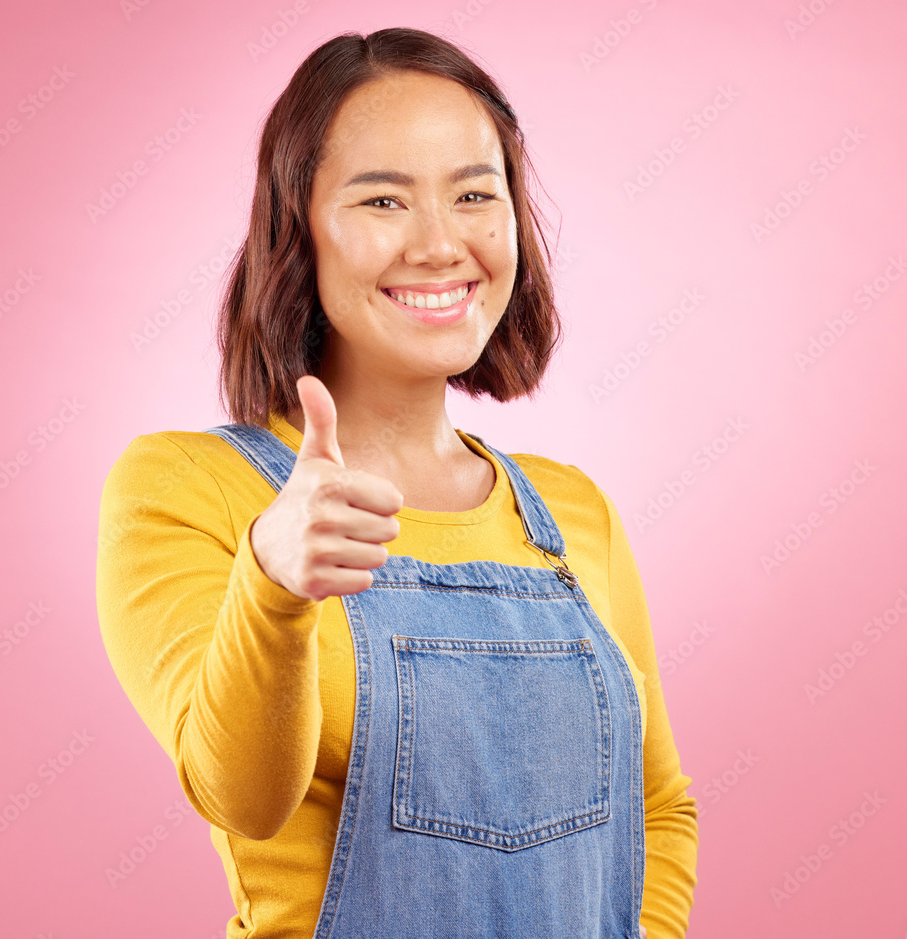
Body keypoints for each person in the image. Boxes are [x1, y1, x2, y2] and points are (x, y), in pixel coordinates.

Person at [96, 26, 698, 939]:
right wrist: (273, 583)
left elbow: (657, 811)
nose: (438, 243)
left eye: (473, 194)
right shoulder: (185, 488)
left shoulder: (574, 513)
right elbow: (241, 796)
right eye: (382, 199)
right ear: (296, 225)